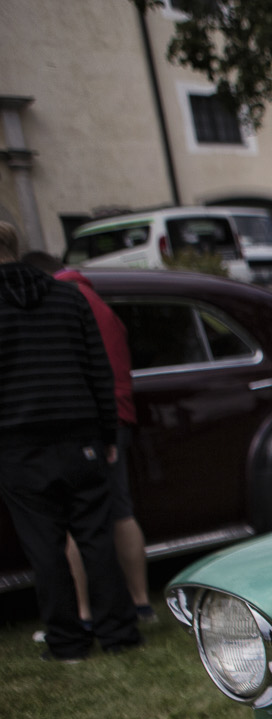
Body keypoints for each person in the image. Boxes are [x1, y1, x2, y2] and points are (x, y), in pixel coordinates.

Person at [0, 223, 141, 661]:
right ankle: (118, 633)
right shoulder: (67, 297)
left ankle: (66, 641)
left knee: (44, 547)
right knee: (95, 537)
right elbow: (97, 368)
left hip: (16, 441)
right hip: (80, 436)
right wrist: (105, 434)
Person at [21, 252, 152, 624]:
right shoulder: (96, 301)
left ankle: (82, 612)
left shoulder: (62, 303)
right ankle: (141, 601)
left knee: (76, 518)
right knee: (121, 511)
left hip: (90, 422)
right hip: (119, 415)